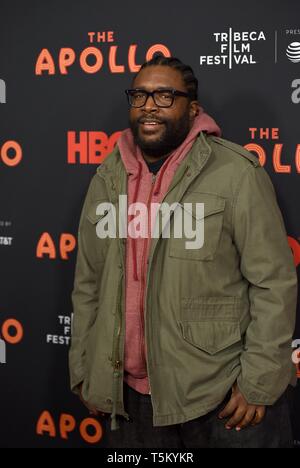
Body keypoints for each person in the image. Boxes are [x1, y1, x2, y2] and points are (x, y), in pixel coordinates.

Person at [69, 56, 298, 448]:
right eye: (139, 95)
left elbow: (273, 283)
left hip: (222, 396)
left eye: (164, 95)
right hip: (131, 400)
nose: (149, 105)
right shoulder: (107, 177)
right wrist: (86, 370)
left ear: (192, 109)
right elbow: (89, 283)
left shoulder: (236, 173)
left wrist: (259, 381)